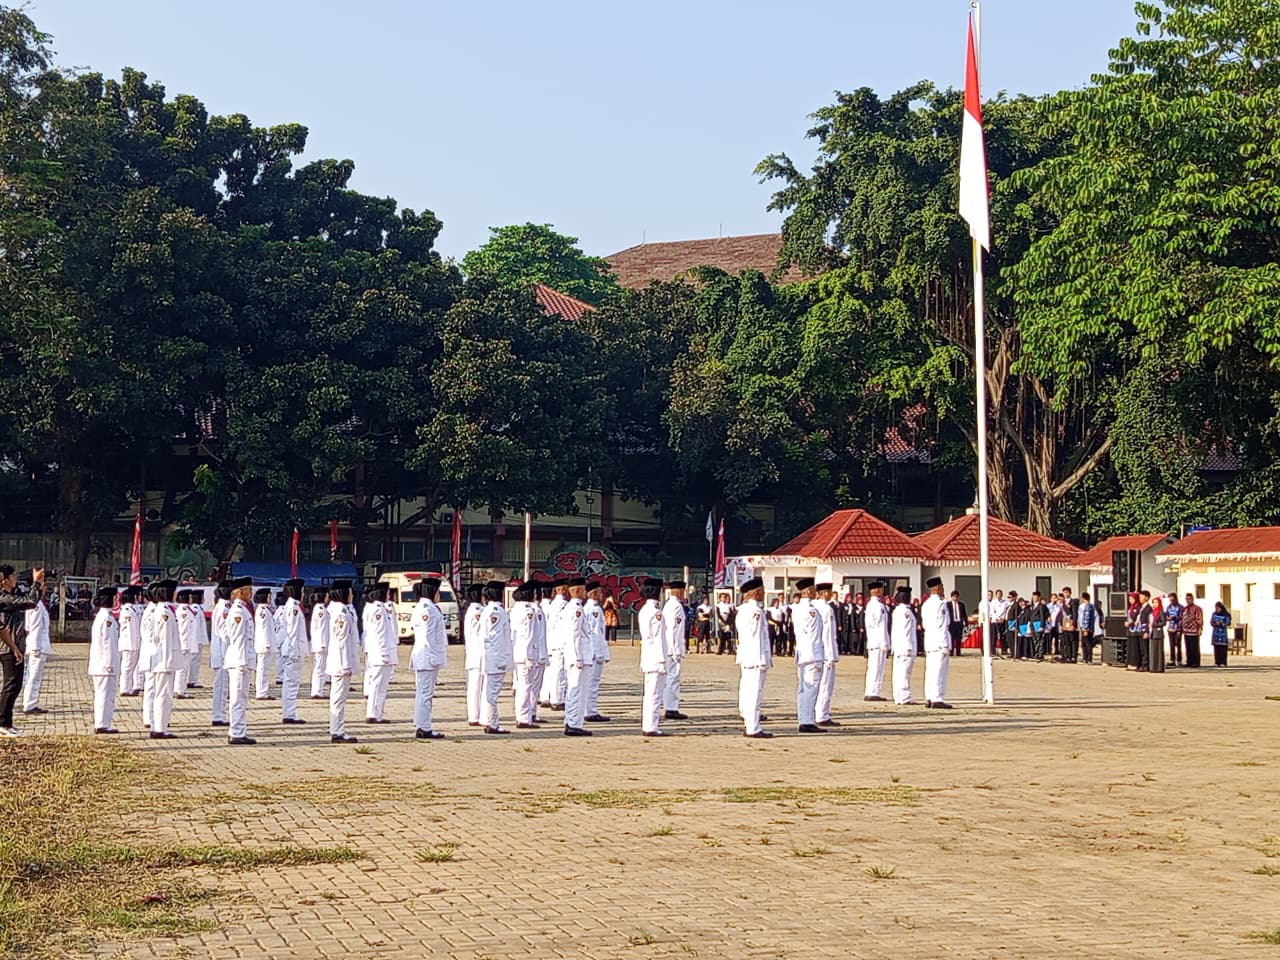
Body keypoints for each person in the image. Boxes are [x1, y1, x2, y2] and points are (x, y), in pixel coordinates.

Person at [221, 576, 257, 745]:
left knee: (242, 697)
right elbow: (238, 638)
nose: (251, 593)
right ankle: (236, 732)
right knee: (237, 697)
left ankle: (239, 730)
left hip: (243, 657)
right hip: (239, 658)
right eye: (249, 590)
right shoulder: (238, 611)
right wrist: (243, 661)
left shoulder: (244, 609)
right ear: (240, 592)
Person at [146, 579, 183, 739]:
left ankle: (157, 726)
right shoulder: (165, 612)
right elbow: (166, 640)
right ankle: (160, 729)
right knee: (163, 694)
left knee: (160, 693)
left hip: (161, 659)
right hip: (164, 660)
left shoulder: (162, 610)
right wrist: (168, 663)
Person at [735, 577, 772, 738]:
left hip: (746, 657)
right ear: (756, 593)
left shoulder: (742, 610)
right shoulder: (756, 611)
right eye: (762, 592)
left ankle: (750, 723)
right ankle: (753, 727)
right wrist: (762, 659)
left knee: (749, 691)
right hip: (755, 658)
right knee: (755, 693)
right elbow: (757, 637)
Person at [325, 579, 359, 743]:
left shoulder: (341, 610)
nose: (352, 595)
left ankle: (338, 729)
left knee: (339, 697)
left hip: (340, 660)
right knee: (338, 697)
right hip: (340, 661)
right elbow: (342, 640)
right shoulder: (341, 613)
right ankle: (337, 731)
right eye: (350, 592)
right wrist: (346, 664)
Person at [791, 578, 824, 734]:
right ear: (809, 591)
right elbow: (815, 634)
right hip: (813, 653)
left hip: (803, 653)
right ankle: (807, 721)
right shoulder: (811, 611)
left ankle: (804, 718)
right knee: (811, 688)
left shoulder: (796, 609)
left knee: (803, 688)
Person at [361, 582, 398, 723]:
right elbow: (380, 634)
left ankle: (377, 713)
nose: (389, 595)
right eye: (387, 593)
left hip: (379, 651)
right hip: (381, 652)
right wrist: (384, 653)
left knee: (380, 686)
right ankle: (373, 713)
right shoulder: (379, 610)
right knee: (378, 685)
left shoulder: (377, 608)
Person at [479, 580, 512, 734]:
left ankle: (489, 720)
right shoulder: (497, 611)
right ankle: (493, 723)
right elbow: (496, 638)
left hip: (490, 657)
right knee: (492, 693)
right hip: (495, 657)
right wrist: (501, 660)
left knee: (489, 691)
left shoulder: (488, 609)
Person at [88, 586, 121, 734]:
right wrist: (109, 664)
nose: (117, 600)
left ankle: (104, 722)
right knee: (105, 694)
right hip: (104, 664)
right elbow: (107, 643)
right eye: (115, 597)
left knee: (105, 694)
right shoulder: (106, 618)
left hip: (102, 664)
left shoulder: (104, 616)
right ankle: (102, 724)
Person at [637, 577, 667, 737]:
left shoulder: (644, 610)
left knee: (650, 693)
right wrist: (662, 659)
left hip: (648, 656)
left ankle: (649, 724)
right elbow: (659, 639)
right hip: (656, 658)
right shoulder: (656, 613)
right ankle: (651, 726)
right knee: (654, 694)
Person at [562, 577, 592, 736]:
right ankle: (574, 723)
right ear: (578, 591)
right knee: (577, 691)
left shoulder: (572, 607)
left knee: (575, 690)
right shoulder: (576, 609)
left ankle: (571, 720)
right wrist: (577, 657)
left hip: (577, 655)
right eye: (584, 589)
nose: (586, 592)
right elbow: (574, 635)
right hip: (578, 656)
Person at [510, 580, 541, 729]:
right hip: (526, 653)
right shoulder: (528, 611)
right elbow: (528, 635)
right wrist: (529, 655)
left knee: (523, 685)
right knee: (525, 686)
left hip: (519, 652)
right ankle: (523, 718)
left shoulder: (517, 608)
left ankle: (524, 716)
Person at [277, 579, 308, 724]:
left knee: (291, 682)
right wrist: (294, 651)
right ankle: (289, 713)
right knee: (292, 682)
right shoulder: (294, 607)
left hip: (293, 648)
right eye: (302, 590)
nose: (303, 593)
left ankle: (289, 712)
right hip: (293, 649)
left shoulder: (292, 605)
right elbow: (293, 631)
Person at [19, 576, 51, 714]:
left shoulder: (35, 604)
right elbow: (36, 627)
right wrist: (37, 646)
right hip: (38, 644)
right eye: (44, 586)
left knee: (32, 675)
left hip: (34, 642)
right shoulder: (36, 605)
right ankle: (29, 704)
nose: (46, 588)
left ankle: (30, 702)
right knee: (34, 676)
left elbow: (27, 626)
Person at [922, 577, 953, 709]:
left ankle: (929, 696)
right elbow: (941, 625)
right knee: (939, 671)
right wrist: (944, 644)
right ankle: (937, 698)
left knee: (931, 671)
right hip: (939, 642)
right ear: (938, 589)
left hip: (930, 641)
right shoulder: (940, 604)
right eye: (942, 588)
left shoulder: (926, 604)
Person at [583, 580, 611, 723]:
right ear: (593, 593)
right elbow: (595, 633)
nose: (601, 594)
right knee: (592, 683)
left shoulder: (592, 608)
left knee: (592, 682)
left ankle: (589, 709)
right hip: (594, 651)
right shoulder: (593, 610)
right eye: (599, 592)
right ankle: (590, 711)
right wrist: (599, 652)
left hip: (594, 651)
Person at [661, 580, 689, 720]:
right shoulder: (676, 606)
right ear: (678, 591)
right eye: (683, 591)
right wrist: (674, 649)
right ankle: (671, 707)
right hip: (673, 647)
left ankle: (670, 706)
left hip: (669, 646)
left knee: (670, 677)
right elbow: (673, 629)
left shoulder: (669, 604)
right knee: (673, 677)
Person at [815, 583, 841, 727]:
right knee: (826, 685)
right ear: (825, 593)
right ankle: (822, 714)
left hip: (817, 651)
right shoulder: (826, 609)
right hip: (826, 652)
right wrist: (831, 654)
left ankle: (817, 712)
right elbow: (829, 634)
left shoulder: (814, 607)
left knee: (817, 685)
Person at [462, 583, 485, 726]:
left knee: (475, 686)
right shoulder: (478, 611)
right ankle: (475, 716)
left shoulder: (473, 610)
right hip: (478, 653)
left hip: (474, 653)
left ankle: (475, 715)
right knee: (476, 686)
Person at [890, 586, 917, 705]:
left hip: (898, 646)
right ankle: (905, 697)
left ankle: (898, 696)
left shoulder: (897, 610)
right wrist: (909, 646)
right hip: (906, 646)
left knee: (898, 673)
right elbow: (906, 630)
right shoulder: (906, 612)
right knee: (904, 673)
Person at [209, 582, 231, 728]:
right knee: (221, 687)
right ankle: (218, 715)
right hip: (223, 653)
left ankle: (220, 714)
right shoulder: (224, 608)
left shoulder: (221, 606)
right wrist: (226, 655)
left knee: (222, 686)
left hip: (221, 652)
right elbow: (224, 634)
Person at [863, 581, 889, 701]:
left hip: (873, 641)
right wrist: (884, 642)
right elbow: (880, 626)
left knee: (873, 667)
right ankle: (874, 692)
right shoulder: (877, 606)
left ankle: (870, 690)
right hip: (878, 642)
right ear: (877, 591)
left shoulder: (870, 605)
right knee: (877, 667)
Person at [118, 586, 144, 697]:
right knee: (127, 666)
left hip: (134, 642)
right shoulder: (127, 610)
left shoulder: (133, 609)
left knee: (132, 666)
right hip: (129, 643)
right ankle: (125, 688)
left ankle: (132, 686)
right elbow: (130, 628)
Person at [253, 588, 278, 700]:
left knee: (265, 669)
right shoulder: (262, 611)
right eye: (269, 596)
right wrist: (267, 643)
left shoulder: (265, 610)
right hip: (264, 644)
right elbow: (263, 629)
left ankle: (263, 690)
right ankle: (261, 692)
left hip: (266, 643)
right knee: (262, 669)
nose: (270, 598)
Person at [309, 587, 330, 699]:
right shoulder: (321, 610)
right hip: (321, 643)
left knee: (320, 667)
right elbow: (321, 629)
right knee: (319, 668)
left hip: (320, 643)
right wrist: (323, 643)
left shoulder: (320, 609)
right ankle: (317, 691)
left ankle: (318, 689)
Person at [1181, 594, 1203, 668]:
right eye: (1187, 599)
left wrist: (1200, 628)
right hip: (1186, 631)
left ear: (1192, 599)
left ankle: (1196, 662)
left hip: (1194, 631)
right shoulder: (1185, 608)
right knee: (1188, 647)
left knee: (1194, 647)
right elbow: (1182, 618)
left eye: (1189, 599)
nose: (1188, 600)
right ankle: (1189, 661)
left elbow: (1199, 619)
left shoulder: (1197, 608)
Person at [1059, 586, 1080, 664]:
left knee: (1073, 641)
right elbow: (1061, 614)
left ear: (1070, 593)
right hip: (1065, 624)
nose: (1065, 594)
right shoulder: (1063, 602)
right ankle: (1067, 656)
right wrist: (1061, 624)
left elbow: (1075, 613)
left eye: (1067, 592)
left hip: (1071, 623)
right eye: (1064, 592)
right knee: (1066, 641)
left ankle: (1073, 656)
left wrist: (1074, 624)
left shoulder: (1073, 602)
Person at [1164, 593, 1184, 667]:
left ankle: (1179, 660)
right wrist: (1167, 618)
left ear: (1176, 599)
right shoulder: (1168, 607)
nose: (1172, 601)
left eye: (1173, 600)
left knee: (1178, 645)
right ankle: (1172, 660)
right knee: (1171, 645)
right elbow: (1166, 615)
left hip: (1177, 627)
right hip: (1170, 628)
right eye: (1170, 600)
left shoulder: (1180, 607)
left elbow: (1182, 617)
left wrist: (1175, 618)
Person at [1077, 592, 1098, 664]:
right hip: (1089, 627)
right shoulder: (1092, 606)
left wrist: (1085, 628)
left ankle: (1088, 659)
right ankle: (1085, 658)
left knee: (1087, 643)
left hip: (1086, 628)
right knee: (1084, 643)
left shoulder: (1087, 606)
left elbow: (1086, 617)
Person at [1210, 601, 1231, 667]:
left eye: (1218, 608)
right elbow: (1211, 622)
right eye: (1216, 608)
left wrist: (1221, 623)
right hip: (1216, 633)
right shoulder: (1214, 614)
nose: (1217, 609)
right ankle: (1217, 662)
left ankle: (1223, 662)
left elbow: (1227, 623)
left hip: (1223, 635)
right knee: (1216, 649)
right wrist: (1215, 623)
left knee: (1223, 649)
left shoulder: (1226, 615)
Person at [946, 590, 966, 658]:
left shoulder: (961, 604)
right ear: (951, 597)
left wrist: (965, 622)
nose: (955, 598)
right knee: (951, 638)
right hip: (951, 623)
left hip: (959, 623)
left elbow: (964, 614)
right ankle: (951, 652)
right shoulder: (948, 604)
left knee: (958, 638)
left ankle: (958, 651)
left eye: (957, 597)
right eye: (954, 597)